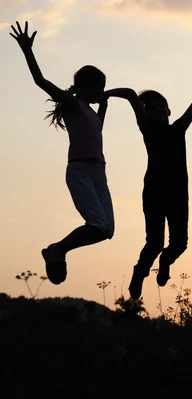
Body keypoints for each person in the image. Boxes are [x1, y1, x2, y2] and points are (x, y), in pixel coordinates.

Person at [11, 21, 114, 285]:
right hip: (79, 170)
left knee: (107, 230)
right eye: (99, 88)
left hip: (98, 171)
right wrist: (27, 51)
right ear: (85, 87)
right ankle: (57, 249)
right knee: (99, 225)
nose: (101, 92)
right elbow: (40, 81)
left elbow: (98, 130)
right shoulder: (71, 102)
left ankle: (57, 249)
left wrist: (104, 105)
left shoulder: (90, 111)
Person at [103, 77, 192, 299]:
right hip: (154, 192)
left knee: (179, 244)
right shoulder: (147, 129)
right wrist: (105, 94)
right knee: (154, 242)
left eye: (161, 107)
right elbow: (128, 93)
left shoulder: (179, 128)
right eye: (151, 108)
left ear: (168, 110)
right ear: (146, 113)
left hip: (177, 195)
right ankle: (140, 272)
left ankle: (166, 261)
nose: (157, 111)